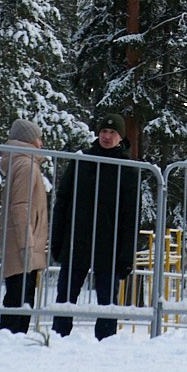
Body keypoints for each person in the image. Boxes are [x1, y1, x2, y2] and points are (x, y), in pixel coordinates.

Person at [53, 120, 142, 339]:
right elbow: (62, 200)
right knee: (65, 298)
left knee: (107, 302)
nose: (107, 136)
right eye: (104, 131)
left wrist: (126, 255)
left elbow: (132, 215)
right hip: (77, 241)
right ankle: (58, 338)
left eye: (112, 132)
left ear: (121, 137)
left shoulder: (128, 168)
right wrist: (57, 240)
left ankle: (106, 344)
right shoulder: (82, 159)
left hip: (109, 246)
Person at [0, 119, 49, 333]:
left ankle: (11, 339)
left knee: (17, 297)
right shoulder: (27, 165)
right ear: (29, 140)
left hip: (19, 241)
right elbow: (22, 207)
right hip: (24, 243)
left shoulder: (19, 162)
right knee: (20, 300)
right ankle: (13, 342)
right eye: (38, 138)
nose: (41, 143)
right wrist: (26, 245)